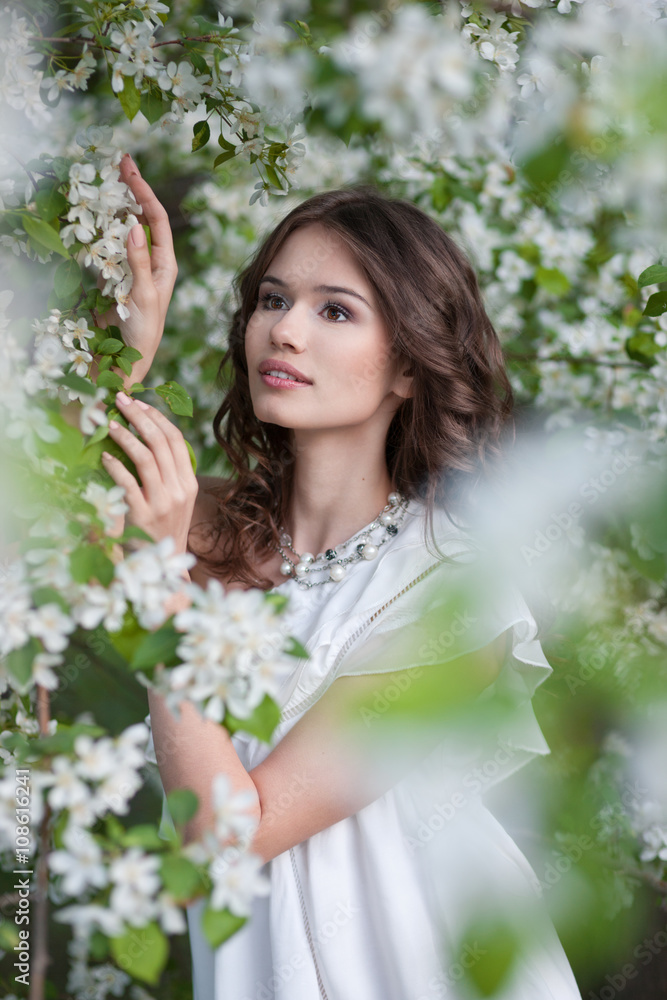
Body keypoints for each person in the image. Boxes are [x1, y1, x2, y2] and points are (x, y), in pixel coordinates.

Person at [100, 153, 583, 999]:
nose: (285, 331)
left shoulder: (452, 591)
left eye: (335, 310)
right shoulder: (197, 524)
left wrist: (155, 590)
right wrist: (123, 357)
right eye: (274, 299)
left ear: (407, 365)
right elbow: (36, 511)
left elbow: (229, 838)